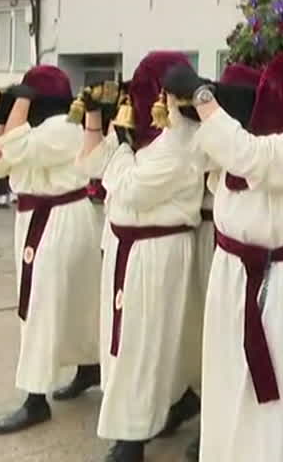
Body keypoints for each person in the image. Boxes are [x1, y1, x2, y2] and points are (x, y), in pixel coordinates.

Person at [163, 55, 283, 462]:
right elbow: (196, 153)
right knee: (226, 373)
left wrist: (203, 97)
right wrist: (181, 108)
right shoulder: (250, 138)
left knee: (272, 384)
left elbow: (253, 158)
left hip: (281, 280)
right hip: (232, 272)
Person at [79, 52, 204, 462]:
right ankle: (146, 416)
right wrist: (97, 119)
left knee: (142, 340)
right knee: (123, 340)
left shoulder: (181, 139)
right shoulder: (143, 139)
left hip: (155, 250)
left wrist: (123, 151)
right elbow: (90, 165)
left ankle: (132, 437)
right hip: (125, 247)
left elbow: (130, 189)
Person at [0, 66, 104, 435]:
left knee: (42, 306)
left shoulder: (64, 129)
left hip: (57, 219)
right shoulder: (37, 131)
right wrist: (8, 119)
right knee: (71, 301)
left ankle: (35, 398)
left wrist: (19, 101)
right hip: (43, 218)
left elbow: (8, 150)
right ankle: (89, 366)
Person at [180, 63, 262, 462]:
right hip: (223, 254)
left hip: (262, 264)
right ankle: (214, 427)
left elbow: (244, 158)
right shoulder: (221, 138)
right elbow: (197, 162)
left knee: (256, 357)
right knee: (220, 350)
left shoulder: (259, 145)